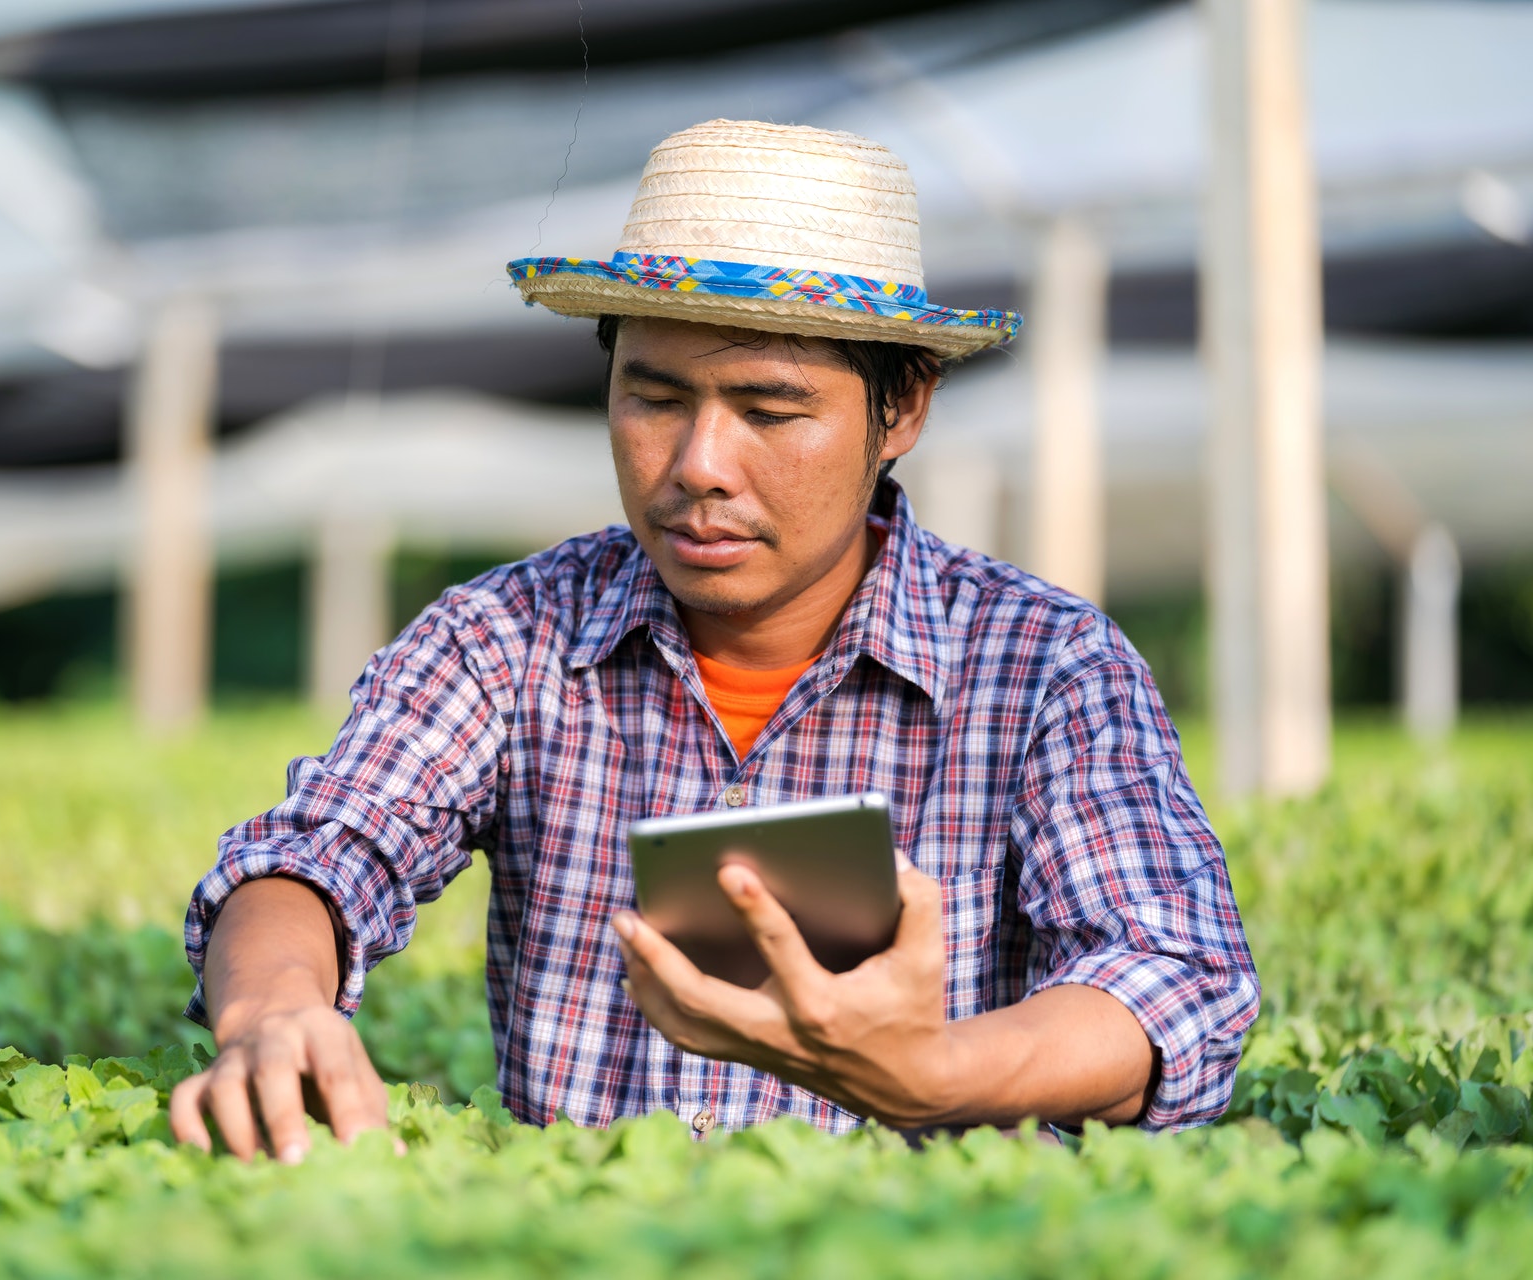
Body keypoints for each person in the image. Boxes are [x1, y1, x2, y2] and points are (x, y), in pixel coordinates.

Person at [170, 119, 1259, 1162]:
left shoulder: (1043, 665)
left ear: (903, 407)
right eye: (654, 396)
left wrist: (939, 1071)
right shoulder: (506, 639)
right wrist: (274, 1008)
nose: (698, 462)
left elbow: (1175, 976)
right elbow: (317, 852)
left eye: (770, 411)